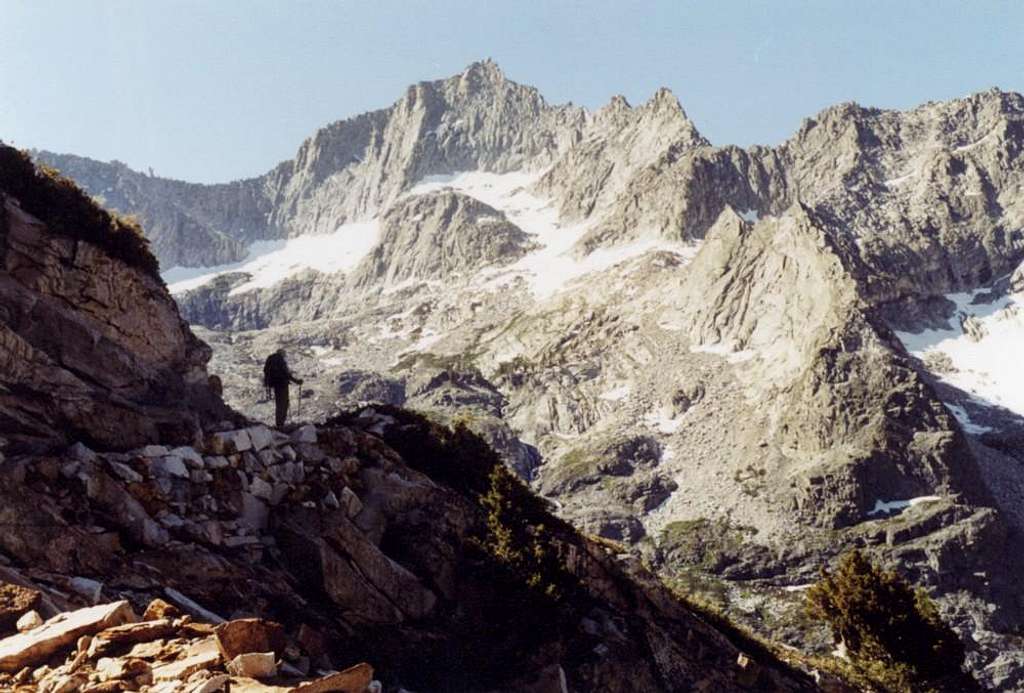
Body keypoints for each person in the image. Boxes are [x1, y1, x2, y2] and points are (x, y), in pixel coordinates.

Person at [263, 348, 303, 428]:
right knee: (284, 404)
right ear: (282, 354)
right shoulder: (281, 361)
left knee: (279, 404)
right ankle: (281, 424)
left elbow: (266, 371)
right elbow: (286, 374)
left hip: (275, 385)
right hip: (283, 385)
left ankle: (279, 424)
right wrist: (297, 381)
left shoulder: (271, 360)